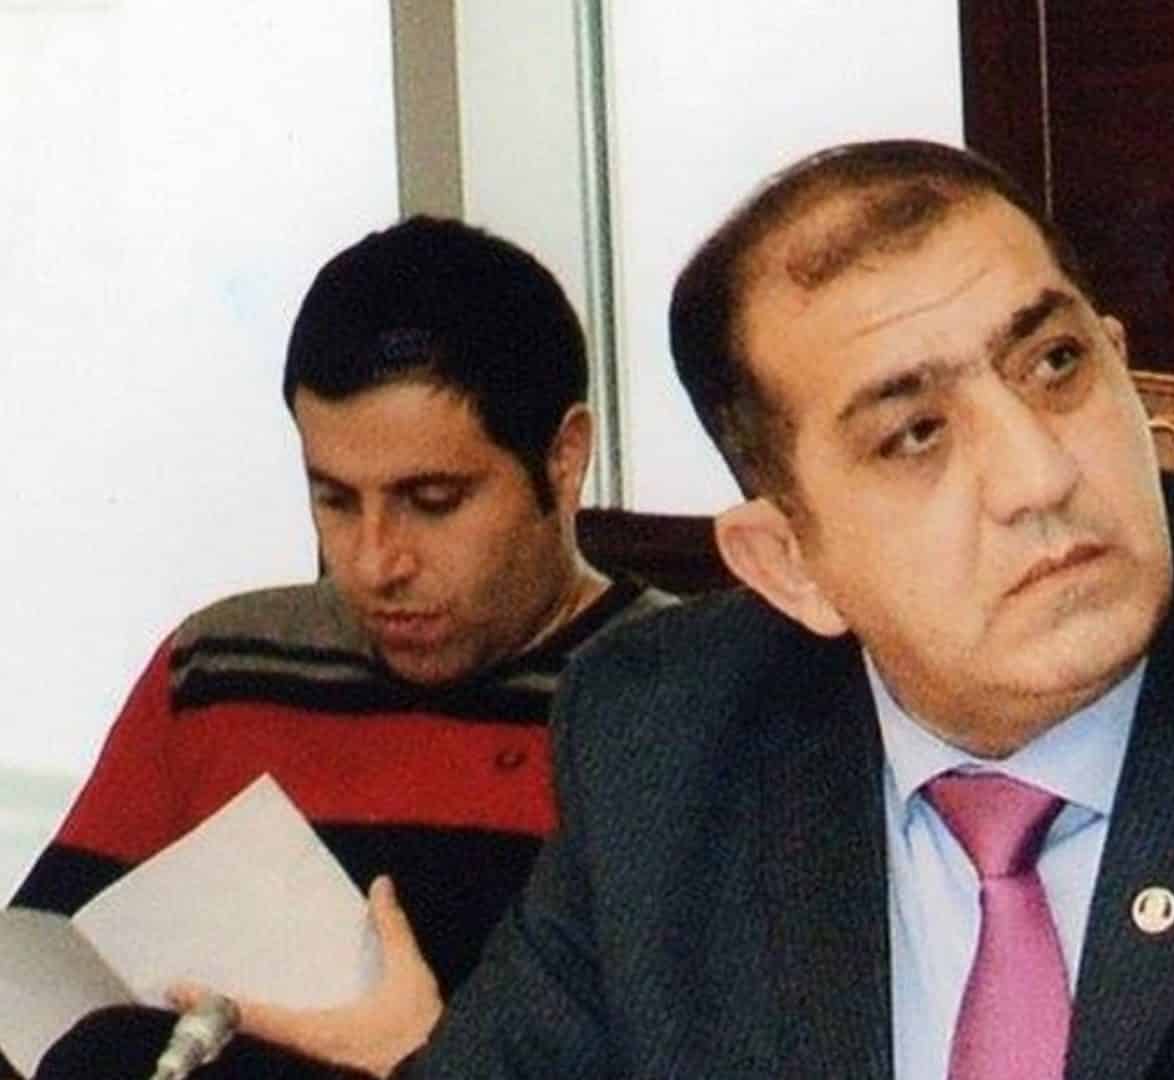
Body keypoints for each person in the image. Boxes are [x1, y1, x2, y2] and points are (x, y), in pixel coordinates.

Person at [405, 140, 1174, 1077]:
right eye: (915, 434)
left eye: (1055, 367)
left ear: (1121, 365)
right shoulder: (668, 734)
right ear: (790, 566)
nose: (1040, 476)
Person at [4, 217, 674, 1079]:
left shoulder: (683, 699)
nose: (373, 562)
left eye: (432, 501)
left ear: (564, 459)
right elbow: (39, 976)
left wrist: (431, 1063)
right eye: (335, 500)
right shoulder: (221, 672)